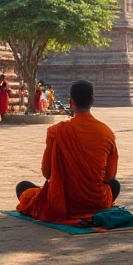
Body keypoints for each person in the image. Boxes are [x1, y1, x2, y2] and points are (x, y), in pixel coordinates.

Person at [15, 80, 120, 224]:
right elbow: (109, 175)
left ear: (70, 102)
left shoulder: (57, 131)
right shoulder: (106, 133)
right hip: (97, 203)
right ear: (92, 101)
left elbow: (47, 172)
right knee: (115, 185)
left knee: (23, 187)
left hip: (62, 204)